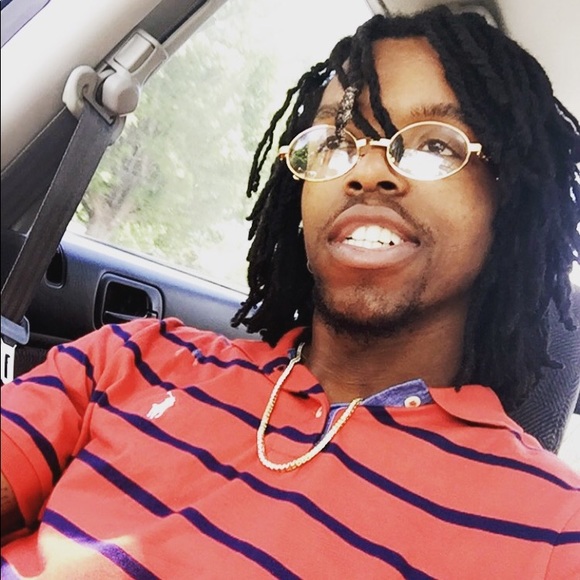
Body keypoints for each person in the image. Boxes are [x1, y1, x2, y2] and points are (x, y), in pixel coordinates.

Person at [2, 6, 580, 578]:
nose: (367, 172)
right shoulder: (131, 358)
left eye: (434, 146)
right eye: (336, 141)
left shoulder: (554, 530)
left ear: (512, 203)